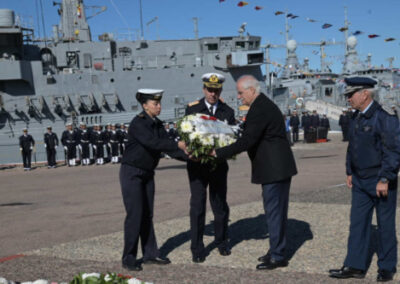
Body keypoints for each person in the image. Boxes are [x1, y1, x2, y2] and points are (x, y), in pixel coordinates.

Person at [212, 75, 297, 270]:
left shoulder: (260, 109)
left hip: (274, 169)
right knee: (274, 212)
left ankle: (278, 255)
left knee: (274, 212)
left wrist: (218, 152)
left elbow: (247, 141)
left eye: (241, 93)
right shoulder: (262, 105)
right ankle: (276, 249)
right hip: (276, 168)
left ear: (251, 90)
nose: (239, 97)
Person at [329, 77, 400, 281]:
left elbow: (394, 150)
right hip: (360, 180)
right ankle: (355, 265)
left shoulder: (385, 117)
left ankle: (387, 267)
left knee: (385, 225)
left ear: (365, 94)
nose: (348, 98)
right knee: (358, 224)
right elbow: (353, 147)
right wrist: (349, 171)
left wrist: (385, 178)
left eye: (351, 94)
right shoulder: (356, 117)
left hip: (379, 180)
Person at [120, 88, 188, 271]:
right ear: (144, 105)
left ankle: (150, 254)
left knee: (147, 214)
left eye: (159, 103)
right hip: (132, 172)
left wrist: (192, 158)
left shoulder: (158, 125)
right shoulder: (138, 123)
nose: (159, 107)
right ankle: (129, 257)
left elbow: (170, 149)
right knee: (135, 214)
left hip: (148, 173)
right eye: (155, 104)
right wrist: (177, 144)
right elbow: (154, 143)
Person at [185, 72, 236, 263]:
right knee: (197, 206)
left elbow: (232, 138)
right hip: (197, 166)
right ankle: (197, 248)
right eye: (209, 90)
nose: (212, 94)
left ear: (220, 90)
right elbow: (186, 135)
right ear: (203, 89)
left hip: (218, 166)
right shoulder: (192, 109)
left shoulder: (227, 112)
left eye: (216, 90)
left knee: (220, 204)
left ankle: (222, 242)